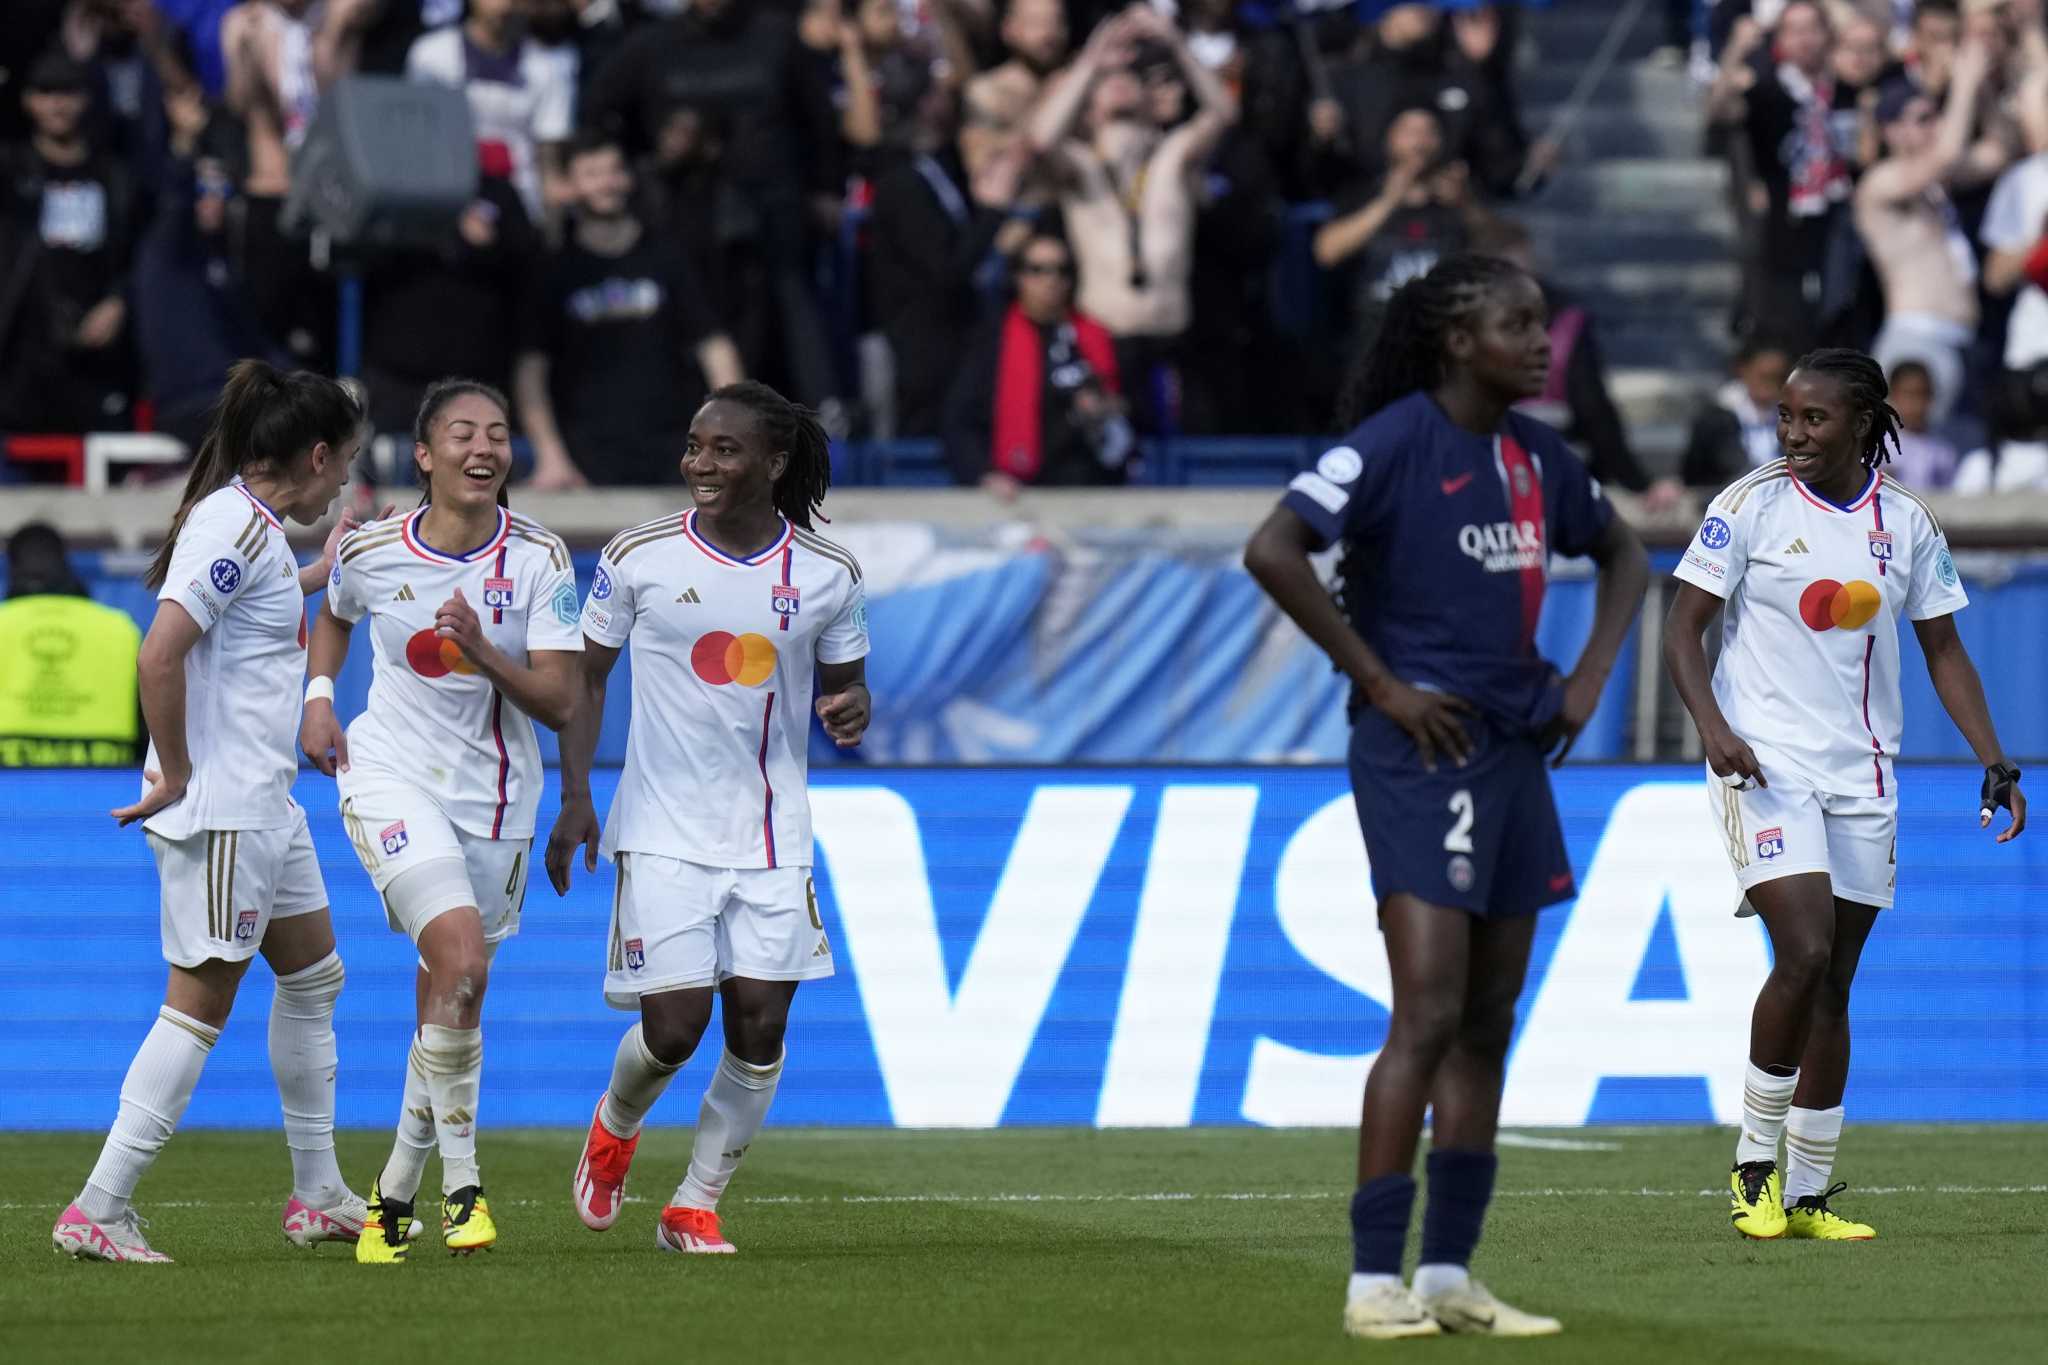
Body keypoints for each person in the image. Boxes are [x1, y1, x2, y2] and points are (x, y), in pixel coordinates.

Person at [1241, 255, 1648, 1340]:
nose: (1538, 339)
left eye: (1540, 321)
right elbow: (1270, 546)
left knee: (1484, 1024)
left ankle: (1446, 1276)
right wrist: (1376, 681)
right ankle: (1371, 1281)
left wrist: (1585, 680)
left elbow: (1622, 555)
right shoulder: (1388, 445)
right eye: (1516, 323)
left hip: (1512, 747)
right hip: (1419, 750)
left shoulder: (1535, 458)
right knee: (1423, 1012)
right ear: (1457, 341)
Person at [1665, 347, 2026, 1245]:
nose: (1794, 434)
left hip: (1864, 774)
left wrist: (1993, 756)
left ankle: (1813, 1192)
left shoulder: (1903, 523)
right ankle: (1753, 1169)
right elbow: (1682, 625)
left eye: (1814, 419)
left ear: (1864, 423)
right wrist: (1714, 729)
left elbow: (1944, 649)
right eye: (1787, 417)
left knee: (1835, 983)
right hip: (1765, 765)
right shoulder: (1748, 504)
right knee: (1804, 948)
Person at [51, 359, 370, 1263]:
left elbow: (256, 608)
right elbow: (160, 655)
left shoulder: (254, 528)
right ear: (313, 455)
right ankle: (98, 1206)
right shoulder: (229, 526)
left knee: (315, 978)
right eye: (341, 465)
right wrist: (178, 773)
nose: (343, 479)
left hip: (267, 803)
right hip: (224, 807)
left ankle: (317, 1193)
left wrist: (324, 565)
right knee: (197, 1006)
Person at [545, 380, 870, 1257]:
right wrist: (576, 795)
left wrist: (850, 708)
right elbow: (587, 677)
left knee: (760, 1027)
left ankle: (693, 1202)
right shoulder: (638, 556)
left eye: (724, 449)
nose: (701, 462)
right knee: (674, 1029)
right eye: (694, 445)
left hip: (771, 835)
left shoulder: (827, 575)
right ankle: (615, 1125)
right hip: (661, 830)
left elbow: (847, 684)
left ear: (773, 460)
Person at [300, 378, 582, 1263]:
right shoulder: (375, 548)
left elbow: (563, 700)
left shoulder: (541, 559)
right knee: (458, 957)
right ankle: (464, 1190)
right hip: (386, 774)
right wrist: (318, 698)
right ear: (424, 454)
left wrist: (483, 651)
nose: (483, 448)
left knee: (451, 990)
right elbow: (334, 618)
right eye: (462, 433)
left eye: (498, 433)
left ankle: (391, 1196)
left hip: (496, 798)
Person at [1027, 5, 1236, 424]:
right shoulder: (1082, 167)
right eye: (1108, 80)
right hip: (1105, 343)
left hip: (1174, 338)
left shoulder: (1171, 157)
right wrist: (1090, 62)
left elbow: (1222, 112)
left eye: (1131, 76)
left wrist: (1177, 45)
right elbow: (1041, 138)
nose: (1120, 81)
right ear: (1088, 103)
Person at [515, 131, 743, 489]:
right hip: (585, 464)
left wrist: (728, 439)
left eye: (613, 170)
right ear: (570, 186)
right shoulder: (554, 270)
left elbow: (714, 348)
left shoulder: (667, 255)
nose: (606, 183)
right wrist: (550, 455)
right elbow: (531, 371)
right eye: (591, 174)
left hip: (674, 456)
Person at [1853, 52, 1997, 428]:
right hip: (1917, 340)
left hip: (1962, 342)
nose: (1936, 127)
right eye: (1923, 119)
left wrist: (1982, 93)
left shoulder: (1939, 185)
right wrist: (1963, 85)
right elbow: (1948, 153)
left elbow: (2000, 151)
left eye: (1936, 117)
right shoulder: (1880, 182)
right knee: (1911, 466)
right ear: (1892, 131)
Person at [0, 49, 141, 433]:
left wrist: (118, 300)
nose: (57, 104)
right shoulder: (11, 170)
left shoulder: (115, 175)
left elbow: (137, 253)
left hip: (98, 351)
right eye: (45, 92)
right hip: (23, 353)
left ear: (87, 99)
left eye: (68, 92)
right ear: (28, 101)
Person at [944, 230, 1132, 492]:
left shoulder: (1096, 338)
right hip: (1016, 493)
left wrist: (1104, 409)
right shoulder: (991, 342)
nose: (1051, 280)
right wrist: (982, 475)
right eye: (1037, 270)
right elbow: (959, 421)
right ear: (1018, 276)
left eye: (1061, 270)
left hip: (1088, 490)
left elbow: (1128, 419)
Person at [404, 0, 575, 224]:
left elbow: (548, 155)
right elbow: (416, 137)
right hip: (446, 194)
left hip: (520, 200)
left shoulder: (546, 67)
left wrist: (553, 220)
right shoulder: (430, 55)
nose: (505, 6)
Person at [0, 521, 141, 768]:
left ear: (12, 569)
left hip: (8, 787)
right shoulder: (121, 628)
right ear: (67, 567)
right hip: (109, 784)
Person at [1682, 336, 1797, 487]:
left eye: (1778, 378)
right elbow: (1694, 475)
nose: (1771, 386)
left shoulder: (1794, 418)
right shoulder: (1714, 420)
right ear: (1743, 370)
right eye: (1764, 377)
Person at [1886, 358, 1963, 487]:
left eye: (1923, 394)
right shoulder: (1876, 448)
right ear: (1893, 395)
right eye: (1909, 395)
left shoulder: (1943, 451)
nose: (1917, 404)